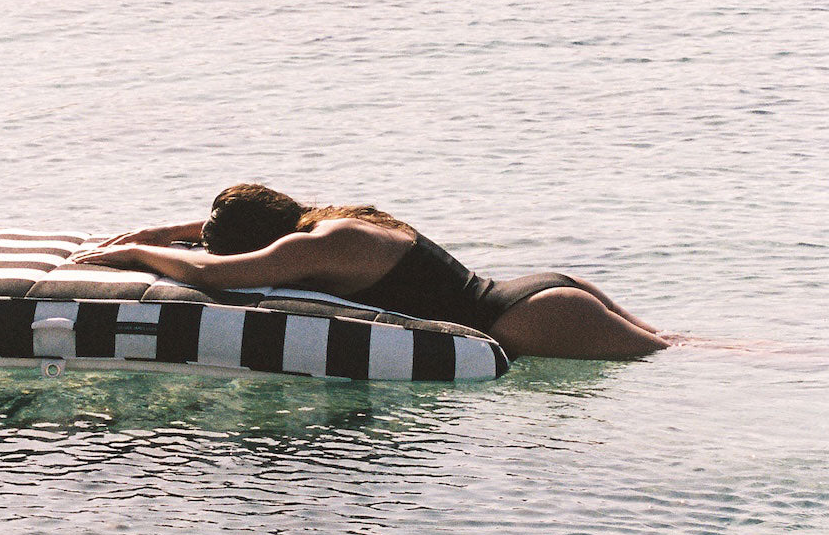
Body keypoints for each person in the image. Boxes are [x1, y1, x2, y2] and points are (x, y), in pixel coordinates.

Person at [70, 183, 669, 361]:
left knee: (694, 357)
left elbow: (221, 276)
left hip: (530, 320)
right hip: (541, 296)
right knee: (680, 348)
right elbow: (220, 241)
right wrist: (152, 232)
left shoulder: (313, 246)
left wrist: (139, 256)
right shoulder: (332, 222)